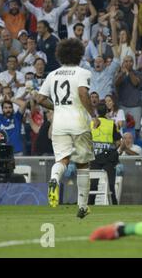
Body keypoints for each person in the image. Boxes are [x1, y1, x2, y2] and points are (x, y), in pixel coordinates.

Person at [36, 38, 100, 219]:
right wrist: (93, 116)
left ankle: (54, 180)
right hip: (79, 122)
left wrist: (56, 107)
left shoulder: (52, 74)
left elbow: (40, 99)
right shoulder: (82, 72)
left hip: (59, 124)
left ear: (60, 55)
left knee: (62, 160)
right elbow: (82, 93)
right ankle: (82, 206)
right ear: (79, 54)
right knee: (83, 164)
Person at [90, 103, 122, 205]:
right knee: (110, 183)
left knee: (93, 183)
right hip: (108, 156)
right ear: (107, 112)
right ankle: (114, 203)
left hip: (94, 156)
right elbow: (118, 142)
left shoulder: (90, 124)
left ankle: (90, 204)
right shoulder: (111, 124)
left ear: (96, 112)